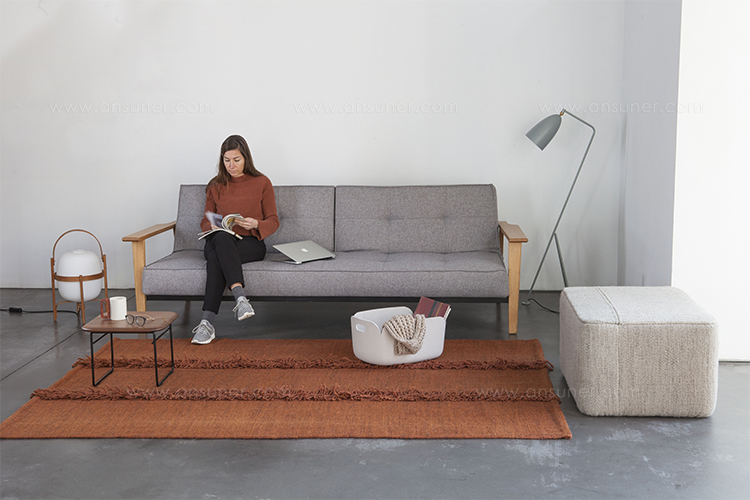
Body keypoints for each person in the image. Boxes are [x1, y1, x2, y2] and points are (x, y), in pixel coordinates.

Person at [191, 135, 280, 344]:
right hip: (219, 240)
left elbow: (274, 220)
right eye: (227, 160)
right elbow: (205, 220)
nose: (231, 165)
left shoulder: (262, 182)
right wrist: (211, 226)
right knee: (222, 237)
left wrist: (256, 224)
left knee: (216, 258)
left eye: (236, 160)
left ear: (246, 158)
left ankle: (206, 323)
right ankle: (240, 298)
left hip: (250, 244)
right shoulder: (215, 185)